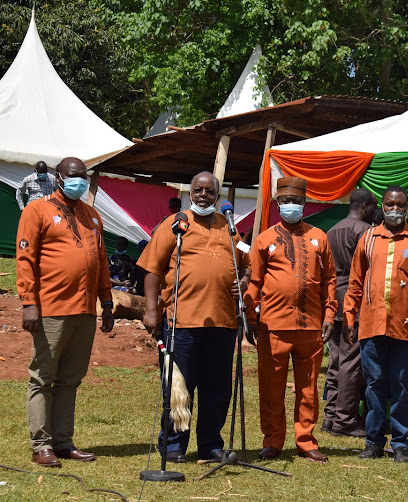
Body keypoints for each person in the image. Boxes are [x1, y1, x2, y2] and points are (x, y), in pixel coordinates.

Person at [138, 171, 251, 463]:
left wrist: (246, 281)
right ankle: (174, 446)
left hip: (223, 324)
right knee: (179, 388)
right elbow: (151, 269)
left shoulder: (229, 227)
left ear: (217, 195)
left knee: (217, 391)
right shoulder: (175, 225)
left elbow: (246, 265)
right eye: (198, 190)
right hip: (181, 323)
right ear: (190, 193)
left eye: (209, 191)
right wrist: (152, 310)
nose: (204, 195)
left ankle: (210, 445)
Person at [16, 157, 114, 467]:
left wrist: (107, 302)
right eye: (73, 176)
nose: (79, 182)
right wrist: (29, 303)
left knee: (70, 379)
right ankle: (41, 444)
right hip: (51, 308)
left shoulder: (92, 215)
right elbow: (25, 259)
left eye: (83, 177)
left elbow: (100, 261)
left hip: (85, 310)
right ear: (59, 177)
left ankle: (63, 441)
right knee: (43, 377)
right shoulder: (37, 210)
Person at [343, 185, 408, 462]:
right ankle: (373, 441)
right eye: (390, 204)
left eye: (400, 205)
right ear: (382, 206)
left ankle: (400, 442)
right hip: (372, 324)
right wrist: (350, 316)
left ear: (407, 207)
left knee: (401, 384)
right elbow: (355, 281)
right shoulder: (369, 238)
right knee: (374, 383)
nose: (395, 209)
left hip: (406, 325)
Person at [246, 177, 337, 463]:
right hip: (272, 325)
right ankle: (272, 441)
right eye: (285, 201)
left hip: (310, 326)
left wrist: (330, 314)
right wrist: (250, 316)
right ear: (277, 203)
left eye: (296, 201)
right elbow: (255, 281)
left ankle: (306, 441)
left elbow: (330, 280)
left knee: (308, 388)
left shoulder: (320, 238)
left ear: (305, 203)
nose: (291, 206)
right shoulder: (263, 240)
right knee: (271, 387)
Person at [322, 188, 377, 437]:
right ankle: (344, 421)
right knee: (351, 363)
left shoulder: (331, 231)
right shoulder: (365, 232)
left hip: (334, 301)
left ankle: (330, 416)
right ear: (364, 206)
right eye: (374, 207)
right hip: (353, 304)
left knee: (335, 361)